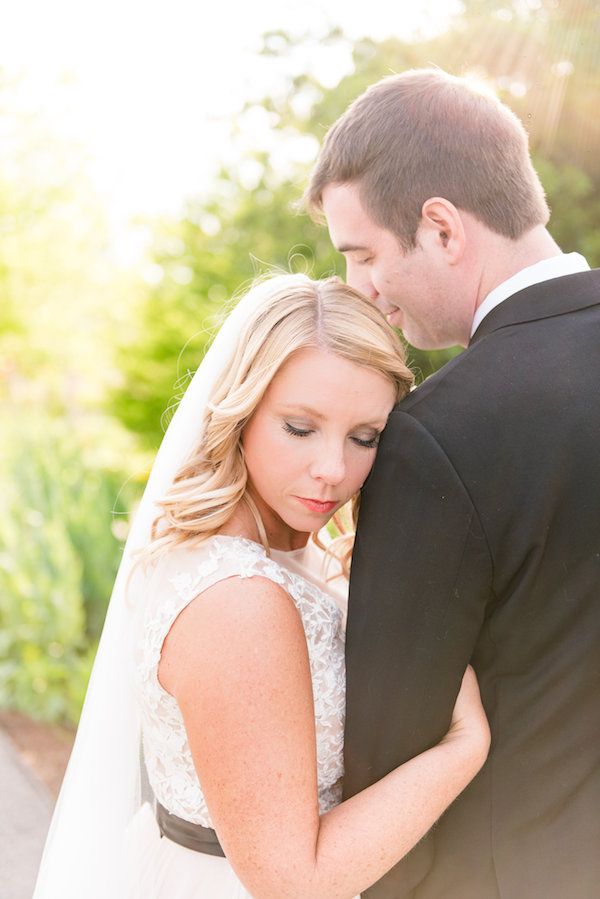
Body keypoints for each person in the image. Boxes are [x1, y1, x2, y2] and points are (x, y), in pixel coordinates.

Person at [33, 273, 490, 899]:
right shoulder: (239, 598)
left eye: (365, 438)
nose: (332, 470)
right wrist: (464, 745)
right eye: (300, 428)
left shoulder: (287, 554)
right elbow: (292, 880)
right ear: (241, 411)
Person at [305, 68, 600, 898]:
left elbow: (394, 753)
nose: (358, 288)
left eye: (362, 254)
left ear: (440, 227)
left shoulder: (439, 436)